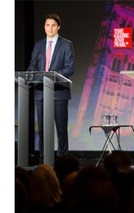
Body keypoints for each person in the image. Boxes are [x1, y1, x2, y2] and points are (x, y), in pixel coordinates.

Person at [27, 13, 75, 160]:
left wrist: (52, 75)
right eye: (47, 25)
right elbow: (32, 65)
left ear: (58, 27)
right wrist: (31, 75)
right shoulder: (39, 45)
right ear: (44, 27)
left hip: (59, 92)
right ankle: (43, 158)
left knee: (61, 129)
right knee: (41, 129)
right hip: (41, 92)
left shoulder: (66, 44)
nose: (50, 28)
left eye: (53, 25)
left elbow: (70, 68)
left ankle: (62, 159)